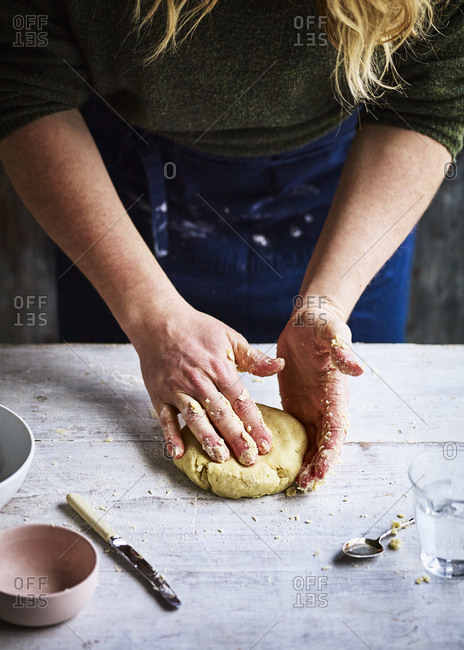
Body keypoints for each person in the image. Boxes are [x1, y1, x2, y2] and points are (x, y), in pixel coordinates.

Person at [0, 0, 462, 490]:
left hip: (354, 201)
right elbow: (26, 87)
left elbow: (429, 97)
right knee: (103, 452)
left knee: (367, 457)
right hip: (115, 199)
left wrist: (327, 301)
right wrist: (151, 315)